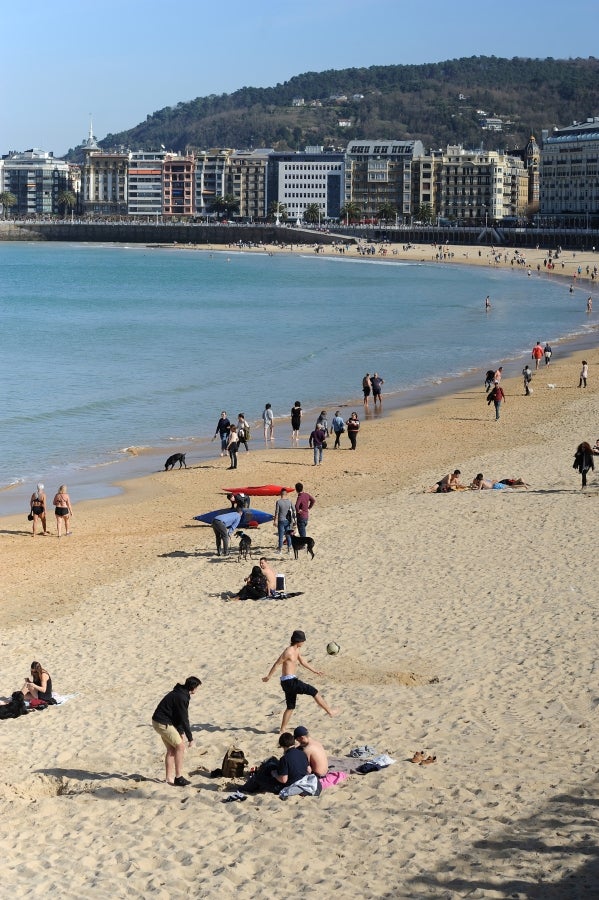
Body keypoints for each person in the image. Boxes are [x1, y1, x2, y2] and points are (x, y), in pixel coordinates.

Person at [262, 629, 339, 733]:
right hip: (290, 681)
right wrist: (268, 677)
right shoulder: (288, 651)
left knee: (290, 706)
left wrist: (315, 670)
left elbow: (302, 661)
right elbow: (277, 663)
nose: (304, 642)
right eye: (303, 641)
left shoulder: (297, 650)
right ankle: (330, 711)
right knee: (314, 691)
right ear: (298, 641)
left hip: (288, 682)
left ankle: (282, 729)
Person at [151, 676, 201, 786]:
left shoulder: (180, 692)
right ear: (193, 687)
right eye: (197, 688)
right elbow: (184, 718)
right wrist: (190, 739)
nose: (197, 690)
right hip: (162, 723)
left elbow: (177, 715)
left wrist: (180, 731)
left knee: (172, 750)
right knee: (180, 747)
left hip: (158, 722)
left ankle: (169, 778)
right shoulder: (182, 697)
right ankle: (178, 777)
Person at [274, 488, 295, 553]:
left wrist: (275, 520)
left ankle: (280, 550)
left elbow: (276, 512)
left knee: (280, 535)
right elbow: (294, 510)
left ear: (281, 494)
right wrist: (294, 520)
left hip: (281, 520)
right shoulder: (289, 501)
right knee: (288, 535)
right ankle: (289, 549)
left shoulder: (278, 502)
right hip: (288, 520)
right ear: (286, 494)